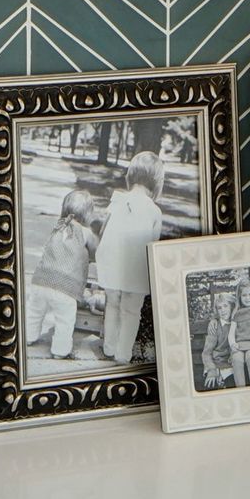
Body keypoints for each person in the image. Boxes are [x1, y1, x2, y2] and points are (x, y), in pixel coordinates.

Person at [92, 151, 164, 365]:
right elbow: (154, 245)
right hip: (136, 266)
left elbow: (104, 230)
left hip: (113, 260)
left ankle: (109, 347)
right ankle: (122, 354)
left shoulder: (117, 200)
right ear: (156, 181)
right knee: (131, 311)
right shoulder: (154, 211)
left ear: (131, 175)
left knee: (112, 304)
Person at [24, 188, 97, 364]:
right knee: (65, 320)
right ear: (88, 215)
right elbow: (95, 252)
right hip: (64, 288)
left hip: (41, 281)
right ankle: (60, 350)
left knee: (34, 312)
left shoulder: (58, 226)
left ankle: (29, 337)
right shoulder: (86, 233)